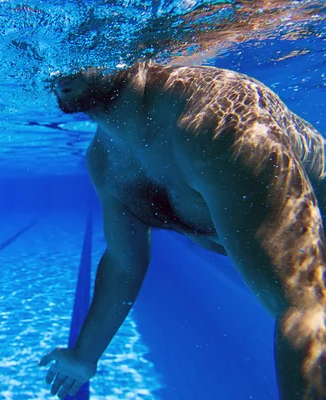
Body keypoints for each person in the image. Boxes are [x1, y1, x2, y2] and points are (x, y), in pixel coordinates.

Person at [38, 60, 326, 400]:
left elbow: (307, 306)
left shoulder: (220, 122)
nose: (62, 61)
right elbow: (123, 262)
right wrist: (83, 357)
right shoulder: (104, 161)